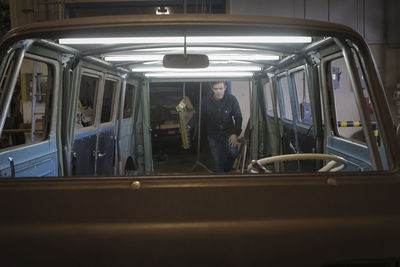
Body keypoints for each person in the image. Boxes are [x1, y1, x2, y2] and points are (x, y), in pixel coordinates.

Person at [188, 81, 242, 173]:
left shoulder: (231, 99)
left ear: (225, 87)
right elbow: (198, 115)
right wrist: (189, 126)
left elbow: (238, 117)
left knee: (233, 153)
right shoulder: (205, 101)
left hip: (228, 133)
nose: (218, 91)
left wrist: (235, 134)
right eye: (215, 89)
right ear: (212, 89)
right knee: (217, 161)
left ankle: (225, 171)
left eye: (220, 88)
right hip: (213, 135)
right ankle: (220, 181)